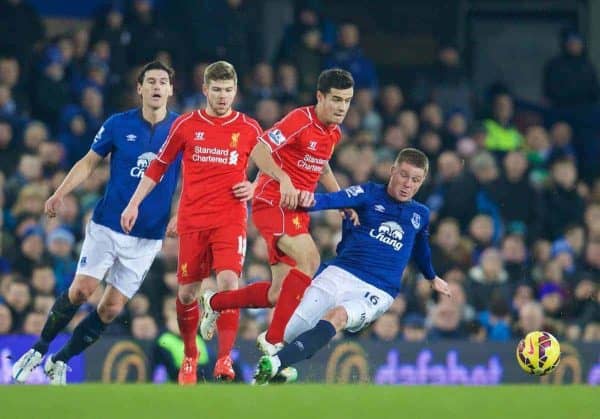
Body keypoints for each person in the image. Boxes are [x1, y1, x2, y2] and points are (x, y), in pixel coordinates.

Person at [12, 61, 180, 385]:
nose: (158, 87)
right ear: (140, 88)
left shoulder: (180, 129)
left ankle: (61, 361)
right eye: (151, 82)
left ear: (171, 89)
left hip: (148, 236)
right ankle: (39, 348)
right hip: (107, 225)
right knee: (81, 291)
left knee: (111, 309)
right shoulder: (118, 124)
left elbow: (197, 177)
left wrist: (184, 213)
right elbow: (89, 162)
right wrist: (59, 194)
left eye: (163, 82)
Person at [251, 148, 451, 384]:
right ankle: (273, 371)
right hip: (339, 272)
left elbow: (421, 248)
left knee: (338, 316)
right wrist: (302, 201)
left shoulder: (420, 214)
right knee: (288, 335)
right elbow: (330, 200)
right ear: (392, 171)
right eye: (404, 175)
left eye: (416, 180)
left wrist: (431, 277)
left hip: (378, 289)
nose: (408, 184)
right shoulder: (368, 193)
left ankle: (275, 364)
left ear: (422, 182)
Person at [121, 61, 261, 384]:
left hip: (230, 219)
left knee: (229, 284)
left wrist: (254, 185)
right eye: (217, 90)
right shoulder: (186, 125)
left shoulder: (249, 128)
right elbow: (158, 166)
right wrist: (134, 203)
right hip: (194, 220)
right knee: (187, 294)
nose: (223, 96)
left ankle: (224, 358)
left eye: (228, 90)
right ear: (205, 90)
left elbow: (274, 161)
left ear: (235, 91)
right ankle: (189, 354)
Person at [199, 68, 355, 356]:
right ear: (319, 96)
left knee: (276, 294)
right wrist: (283, 177)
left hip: (297, 210)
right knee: (310, 259)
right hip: (274, 202)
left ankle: (215, 303)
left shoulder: (333, 132)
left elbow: (321, 165)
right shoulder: (300, 119)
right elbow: (258, 148)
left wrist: (340, 199)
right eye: (335, 99)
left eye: (346, 101)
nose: (341, 107)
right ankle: (273, 341)